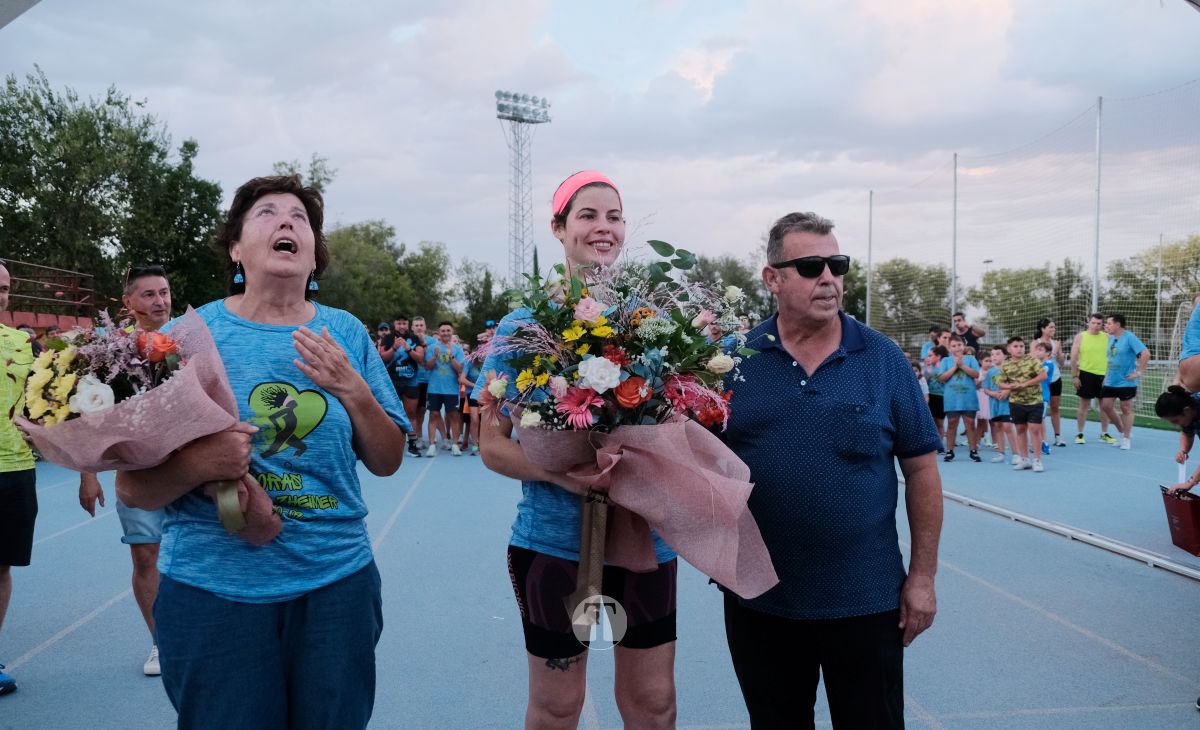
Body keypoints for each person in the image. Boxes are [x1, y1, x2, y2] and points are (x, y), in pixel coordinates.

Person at [115, 175, 408, 728]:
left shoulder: (345, 333)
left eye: (299, 217)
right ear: (235, 248)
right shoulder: (181, 339)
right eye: (267, 213)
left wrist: (355, 390)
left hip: (335, 584)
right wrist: (203, 464)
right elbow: (133, 488)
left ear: (313, 253)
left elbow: (388, 460)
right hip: (213, 590)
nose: (287, 222)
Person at [720, 211, 943, 729]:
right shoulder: (731, 363)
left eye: (837, 264)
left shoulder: (884, 359)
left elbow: (923, 471)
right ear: (772, 278)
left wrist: (923, 578)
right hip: (761, 601)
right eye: (811, 265)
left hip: (865, 599)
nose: (829, 278)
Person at [475, 170, 679, 730]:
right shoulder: (523, 327)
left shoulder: (654, 325)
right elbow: (492, 445)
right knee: (558, 705)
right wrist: (568, 473)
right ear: (559, 228)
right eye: (587, 215)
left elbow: (681, 428)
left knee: (653, 704)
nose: (603, 228)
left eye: (613, 216)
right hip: (553, 544)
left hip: (644, 543)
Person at [77, 263, 174, 676]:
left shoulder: (190, 341)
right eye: (149, 294)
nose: (160, 301)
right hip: (137, 474)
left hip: (194, 468)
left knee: (204, 552)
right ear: (128, 302)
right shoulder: (107, 352)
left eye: (165, 292)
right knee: (146, 558)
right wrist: (88, 473)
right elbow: (87, 414)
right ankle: (161, 643)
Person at [0, 261, 36, 697]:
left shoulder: (21, 344)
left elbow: (45, 406)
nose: (0, 295)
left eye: (5, 288)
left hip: (16, 469)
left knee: (2, 567)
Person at [1099, 313, 1149, 451]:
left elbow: (1145, 353)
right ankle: (1122, 431)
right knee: (1106, 406)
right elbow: (1111, 360)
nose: (1106, 326)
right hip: (1111, 380)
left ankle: (1126, 439)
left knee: (1125, 408)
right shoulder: (1111, 339)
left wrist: (1138, 372)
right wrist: (1105, 376)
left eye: (1109, 323)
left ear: (1117, 325)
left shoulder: (1129, 337)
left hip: (1126, 381)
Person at [998, 336, 1047, 473]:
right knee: (1020, 430)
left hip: (1034, 401)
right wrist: (1009, 386)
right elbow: (1000, 382)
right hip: (1016, 402)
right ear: (1009, 349)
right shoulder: (1006, 364)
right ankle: (1025, 459)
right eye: (1016, 346)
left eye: (1021, 346)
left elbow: (1043, 376)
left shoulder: (1032, 360)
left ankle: (1037, 460)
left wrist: (1025, 384)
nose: (1019, 349)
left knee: (1034, 430)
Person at [378, 315, 424, 457]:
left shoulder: (415, 339)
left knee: (411, 413)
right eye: (399, 323)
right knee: (388, 414)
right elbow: (381, 358)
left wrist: (408, 349)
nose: (402, 326)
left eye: (404, 323)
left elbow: (421, 358)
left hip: (411, 381)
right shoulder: (387, 338)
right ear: (395, 324)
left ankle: (412, 444)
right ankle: (388, 444)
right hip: (391, 381)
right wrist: (394, 348)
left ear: (408, 324)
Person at [937, 334, 981, 462]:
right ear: (949, 348)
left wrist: (962, 366)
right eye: (954, 346)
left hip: (968, 398)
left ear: (964, 345)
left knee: (970, 424)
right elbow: (941, 378)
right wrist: (955, 367)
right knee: (952, 424)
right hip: (952, 398)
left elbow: (976, 374)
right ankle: (950, 451)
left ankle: (973, 450)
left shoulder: (971, 359)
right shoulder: (946, 361)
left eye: (959, 345)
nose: (957, 348)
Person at [1069, 313, 1112, 444]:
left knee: (1104, 406)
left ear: (1102, 324)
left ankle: (1104, 433)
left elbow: (1112, 358)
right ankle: (1080, 434)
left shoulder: (1108, 337)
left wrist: (1108, 375)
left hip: (1104, 375)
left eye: (1099, 324)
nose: (1096, 326)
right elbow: (1074, 358)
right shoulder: (1080, 337)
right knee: (1084, 405)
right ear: (1088, 322)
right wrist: (1075, 376)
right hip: (1086, 374)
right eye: (1093, 323)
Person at [424, 321, 464, 456]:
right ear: (439, 332)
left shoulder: (457, 349)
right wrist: (435, 356)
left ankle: (454, 444)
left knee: (453, 416)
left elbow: (460, 369)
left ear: (452, 332)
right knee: (433, 415)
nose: (445, 333)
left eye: (448, 330)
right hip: (434, 388)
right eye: (443, 330)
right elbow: (427, 367)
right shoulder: (432, 347)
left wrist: (451, 355)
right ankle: (432, 445)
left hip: (451, 389)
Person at [1158, 386, 1200, 493]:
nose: (1176, 425)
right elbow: (1187, 432)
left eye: (1175, 421)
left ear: (1186, 411)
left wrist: (1190, 482)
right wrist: (1183, 450)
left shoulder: (1189, 408)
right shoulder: (1189, 407)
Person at [1034, 318, 1066, 447]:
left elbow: (1062, 363)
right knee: (1040, 410)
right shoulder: (1036, 343)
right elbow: (1036, 361)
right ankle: (1041, 440)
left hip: (1055, 378)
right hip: (1041, 381)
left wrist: (1058, 353)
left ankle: (1058, 437)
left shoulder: (1056, 343)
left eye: (1054, 327)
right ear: (1043, 329)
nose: (1053, 329)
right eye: (1050, 327)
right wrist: (1053, 351)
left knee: (1055, 408)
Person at [983, 345, 1017, 465]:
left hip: (1007, 404)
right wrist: (992, 393)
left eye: (997, 354)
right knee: (997, 426)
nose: (994, 356)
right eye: (992, 354)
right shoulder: (990, 372)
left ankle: (1015, 454)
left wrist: (1007, 391)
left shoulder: (1010, 368)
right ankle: (1001, 453)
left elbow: (1016, 383)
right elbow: (985, 389)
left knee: (1007, 427)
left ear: (1005, 355)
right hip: (994, 404)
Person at [1033, 341, 1058, 455]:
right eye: (1036, 350)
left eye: (1040, 350)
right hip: (1033, 395)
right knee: (1035, 420)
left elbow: (1038, 373)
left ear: (1048, 353)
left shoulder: (1049, 364)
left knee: (1040, 420)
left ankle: (1044, 442)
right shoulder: (1036, 363)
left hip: (1042, 396)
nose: (1037, 352)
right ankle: (1038, 442)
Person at [922, 344, 948, 452]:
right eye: (928, 356)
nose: (928, 358)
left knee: (940, 422)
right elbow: (924, 380)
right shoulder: (928, 368)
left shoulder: (944, 367)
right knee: (931, 421)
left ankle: (940, 444)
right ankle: (932, 442)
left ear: (938, 356)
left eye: (930, 355)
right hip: (931, 396)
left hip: (942, 397)